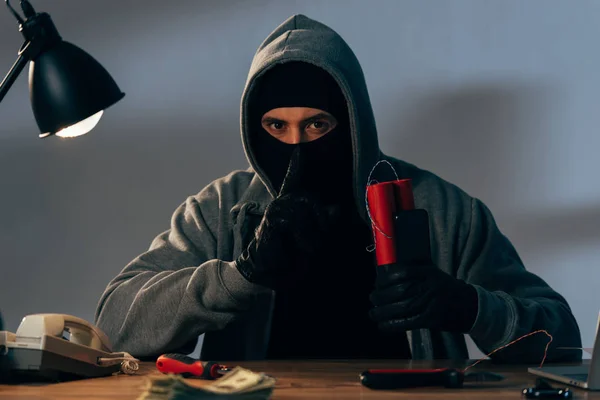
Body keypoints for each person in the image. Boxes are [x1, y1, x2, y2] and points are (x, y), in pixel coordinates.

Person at [94, 14, 582, 362]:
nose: (297, 146)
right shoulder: (224, 209)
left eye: (317, 124)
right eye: (276, 127)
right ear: (252, 127)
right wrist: (239, 275)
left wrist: (472, 306)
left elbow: (560, 337)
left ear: (350, 122)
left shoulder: (441, 208)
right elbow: (116, 325)